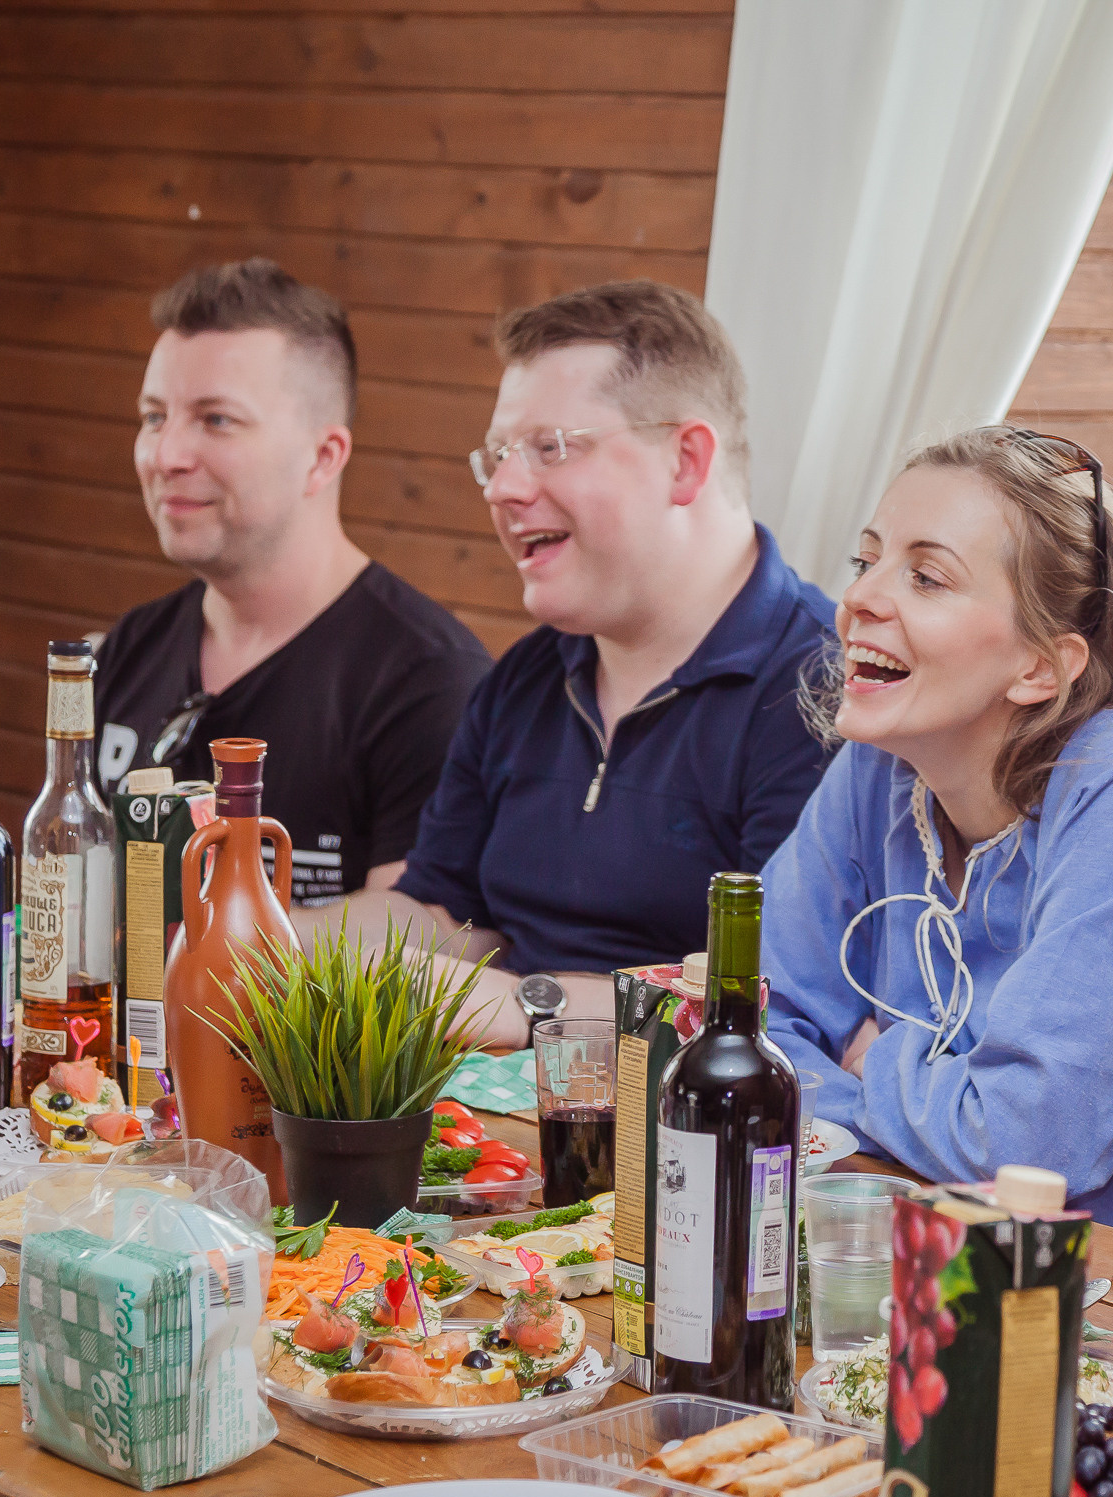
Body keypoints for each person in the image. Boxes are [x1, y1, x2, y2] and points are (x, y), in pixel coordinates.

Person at [758, 428, 1113, 1253]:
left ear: (1039, 667)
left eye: (925, 576)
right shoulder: (879, 767)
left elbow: (1027, 1148)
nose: (861, 600)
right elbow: (745, 1028)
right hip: (916, 1252)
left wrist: (869, 1060)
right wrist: (931, 1096)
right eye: (866, 561)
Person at [304, 281, 835, 1034]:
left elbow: (773, 997)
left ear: (686, 461)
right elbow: (441, 913)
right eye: (497, 457)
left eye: (551, 448)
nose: (505, 489)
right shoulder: (524, 677)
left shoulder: (819, 688)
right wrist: (263, 937)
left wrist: (528, 1004)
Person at [95, 259, 491, 904]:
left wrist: (210, 953)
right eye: (153, 416)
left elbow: (422, 940)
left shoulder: (429, 680)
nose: (167, 456)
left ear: (323, 456)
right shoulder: (129, 647)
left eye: (216, 419)